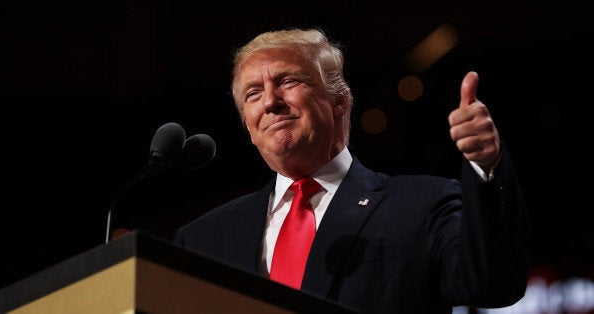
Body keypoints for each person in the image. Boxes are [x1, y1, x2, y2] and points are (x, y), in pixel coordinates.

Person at [173, 28, 529, 313]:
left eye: (288, 81)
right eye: (253, 94)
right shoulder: (203, 240)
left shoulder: (422, 204)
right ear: (248, 127)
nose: (270, 101)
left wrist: (487, 167)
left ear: (339, 100)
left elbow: (491, 284)